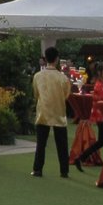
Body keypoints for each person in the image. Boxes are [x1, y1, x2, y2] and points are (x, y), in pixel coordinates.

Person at [30, 47, 72, 179]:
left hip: (43, 111)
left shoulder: (37, 76)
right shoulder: (63, 78)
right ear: (57, 59)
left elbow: (36, 94)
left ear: (45, 58)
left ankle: (37, 169)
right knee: (62, 144)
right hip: (59, 112)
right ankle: (64, 171)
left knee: (41, 143)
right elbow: (66, 95)